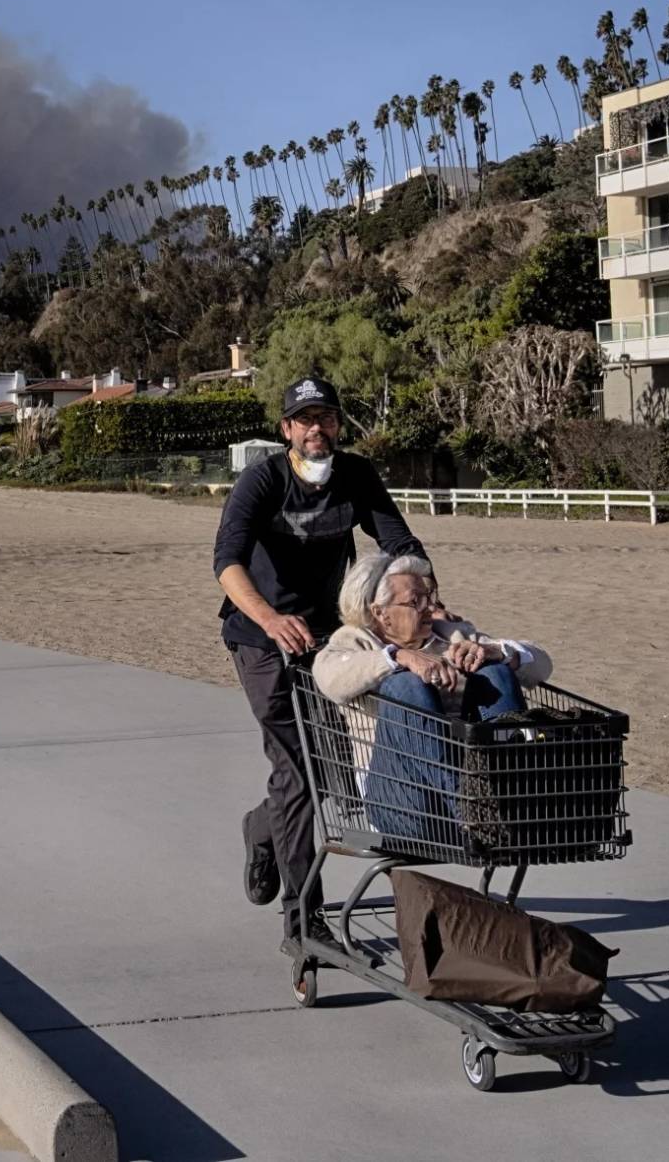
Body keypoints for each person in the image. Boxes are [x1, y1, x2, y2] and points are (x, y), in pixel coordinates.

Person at [213, 376, 424, 946]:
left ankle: (263, 828)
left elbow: (400, 544)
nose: (316, 429)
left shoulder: (356, 474)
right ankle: (304, 924)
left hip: (330, 641)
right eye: (304, 420)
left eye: (325, 417)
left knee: (332, 772)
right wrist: (269, 620)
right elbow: (227, 561)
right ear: (286, 430)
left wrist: (424, 600)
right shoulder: (263, 479)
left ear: (337, 425)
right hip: (260, 641)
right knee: (298, 772)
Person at [313, 552, 551, 844]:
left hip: (476, 786)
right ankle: (472, 809)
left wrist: (499, 652)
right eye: (415, 602)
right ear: (380, 612)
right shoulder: (354, 642)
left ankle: (505, 798)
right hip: (401, 798)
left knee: (495, 672)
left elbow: (543, 665)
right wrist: (398, 657)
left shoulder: (451, 636)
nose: (428, 608)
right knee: (405, 685)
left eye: (429, 598)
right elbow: (328, 677)